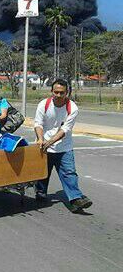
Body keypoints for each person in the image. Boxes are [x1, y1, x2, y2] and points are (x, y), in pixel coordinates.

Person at [34, 79, 92, 213]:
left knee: (69, 173)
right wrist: (41, 139)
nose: (59, 95)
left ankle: (76, 199)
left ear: (67, 93)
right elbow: (38, 124)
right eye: (56, 92)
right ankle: (40, 192)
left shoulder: (72, 108)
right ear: (51, 92)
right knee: (43, 173)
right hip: (44, 145)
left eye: (62, 93)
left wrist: (49, 143)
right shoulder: (44, 104)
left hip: (64, 147)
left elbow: (64, 130)